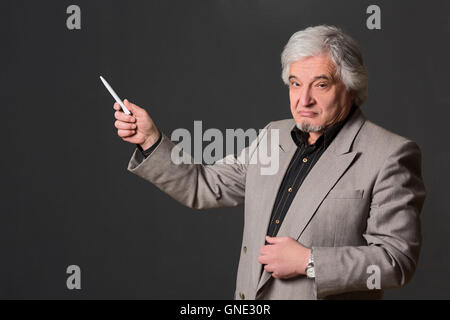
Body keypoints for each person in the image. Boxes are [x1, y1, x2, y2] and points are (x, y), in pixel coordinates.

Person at [111, 25, 426, 299]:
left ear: (351, 85)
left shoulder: (390, 154)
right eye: (294, 83)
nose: (303, 100)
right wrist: (151, 140)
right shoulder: (272, 135)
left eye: (321, 84)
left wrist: (309, 261)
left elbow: (397, 261)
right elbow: (204, 186)